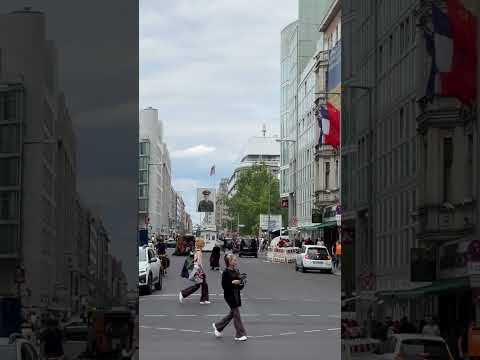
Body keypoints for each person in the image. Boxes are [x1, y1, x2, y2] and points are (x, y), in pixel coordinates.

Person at [212, 253, 247, 341]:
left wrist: (241, 282)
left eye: (236, 260)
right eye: (234, 260)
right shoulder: (226, 272)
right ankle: (239, 334)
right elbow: (224, 286)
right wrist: (232, 283)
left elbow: (240, 286)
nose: (236, 261)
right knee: (236, 314)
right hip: (229, 296)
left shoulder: (237, 271)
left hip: (236, 295)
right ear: (229, 262)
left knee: (233, 313)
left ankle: (218, 326)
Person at [179, 240, 210, 304]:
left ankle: (204, 299)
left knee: (201, 285)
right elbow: (199, 263)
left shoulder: (196, 251)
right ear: (201, 245)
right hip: (198, 270)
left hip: (196, 269)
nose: (204, 246)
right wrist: (202, 271)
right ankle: (183, 293)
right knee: (201, 285)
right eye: (203, 244)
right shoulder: (199, 252)